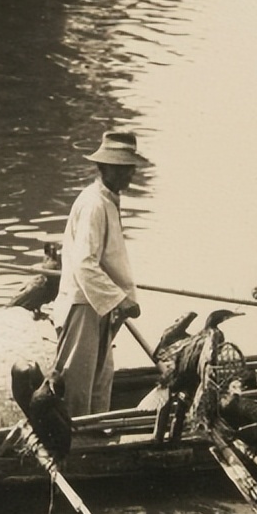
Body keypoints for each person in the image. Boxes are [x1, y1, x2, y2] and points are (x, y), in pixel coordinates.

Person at [51, 130, 149, 417]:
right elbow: (84, 263)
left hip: (99, 304)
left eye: (130, 167)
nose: (129, 174)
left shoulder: (109, 200)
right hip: (83, 304)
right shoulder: (94, 204)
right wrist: (120, 300)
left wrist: (121, 297)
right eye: (121, 168)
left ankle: (98, 435)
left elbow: (106, 259)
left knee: (102, 379)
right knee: (77, 385)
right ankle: (76, 444)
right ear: (104, 168)